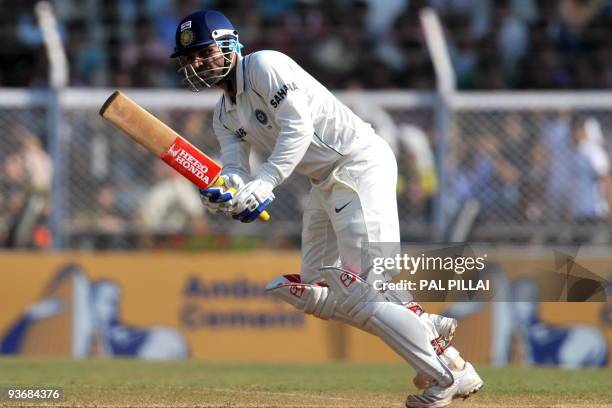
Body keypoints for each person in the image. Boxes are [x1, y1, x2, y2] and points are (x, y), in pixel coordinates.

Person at [170, 10, 483, 407]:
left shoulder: (266, 65)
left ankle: (445, 374)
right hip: (323, 182)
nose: (196, 64)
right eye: (189, 59)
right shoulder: (223, 114)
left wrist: (264, 183)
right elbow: (233, 168)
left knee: (363, 287)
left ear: (229, 43)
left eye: (203, 52)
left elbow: (297, 128)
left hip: (357, 164)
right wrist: (223, 193)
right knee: (319, 287)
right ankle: (428, 331)